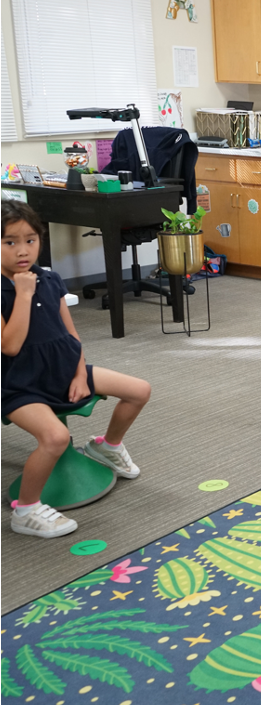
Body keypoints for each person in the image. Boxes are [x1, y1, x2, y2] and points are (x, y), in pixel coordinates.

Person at [1, 200, 151, 538]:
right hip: (19, 384)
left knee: (139, 390)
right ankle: (25, 511)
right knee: (55, 438)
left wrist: (80, 372)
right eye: (10, 242)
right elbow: (9, 345)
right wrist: (22, 294)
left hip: (65, 369)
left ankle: (107, 447)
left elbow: (71, 335)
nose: (23, 250)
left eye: (30, 240)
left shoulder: (50, 279)